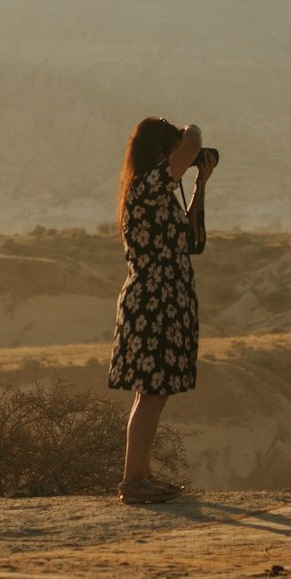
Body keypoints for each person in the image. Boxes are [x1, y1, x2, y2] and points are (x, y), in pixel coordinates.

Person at [108, 117, 217, 505]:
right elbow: (191, 142)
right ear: (159, 152)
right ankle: (133, 481)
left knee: (154, 393)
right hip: (154, 302)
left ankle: (140, 476)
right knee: (152, 392)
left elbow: (191, 240)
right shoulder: (147, 186)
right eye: (173, 155)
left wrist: (200, 183)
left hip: (166, 301)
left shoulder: (157, 192)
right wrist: (190, 132)